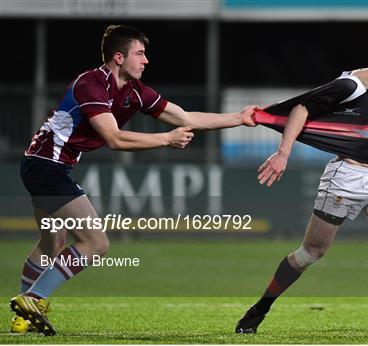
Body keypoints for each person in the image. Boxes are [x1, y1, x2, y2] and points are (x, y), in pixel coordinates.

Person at [10, 24, 257, 336]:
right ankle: (32, 298)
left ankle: (22, 317)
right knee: (96, 243)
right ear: (118, 57)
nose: (146, 60)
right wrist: (166, 139)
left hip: (42, 166)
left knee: (52, 243)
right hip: (47, 167)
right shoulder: (91, 84)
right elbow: (113, 138)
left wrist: (239, 119)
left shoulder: (136, 92)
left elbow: (186, 118)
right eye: (140, 53)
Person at [235, 23, 368, 334]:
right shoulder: (349, 86)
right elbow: (301, 109)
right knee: (311, 253)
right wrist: (283, 153)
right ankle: (261, 307)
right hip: (344, 180)